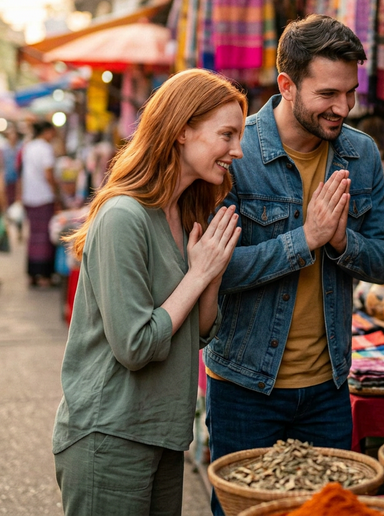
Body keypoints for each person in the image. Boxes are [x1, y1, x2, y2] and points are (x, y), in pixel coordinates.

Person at [204, 14, 384, 515]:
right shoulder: (236, 152)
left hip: (328, 390)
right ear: (287, 85)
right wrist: (305, 239)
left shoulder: (361, 154)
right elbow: (213, 272)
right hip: (246, 387)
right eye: (328, 94)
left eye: (350, 93)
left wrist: (340, 242)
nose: (343, 107)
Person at [52, 69, 247, 516]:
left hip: (160, 435)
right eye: (227, 134)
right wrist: (197, 277)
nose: (237, 150)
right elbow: (136, 345)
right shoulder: (124, 216)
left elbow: (194, 334)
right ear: (182, 130)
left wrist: (211, 274)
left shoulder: (180, 213)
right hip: (110, 437)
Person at [21, 121, 59, 287]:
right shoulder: (45, 148)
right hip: (44, 197)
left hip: (30, 197)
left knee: (34, 237)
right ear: (47, 132)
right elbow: (48, 174)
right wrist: (57, 195)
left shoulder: (29, 147)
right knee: (44, 237)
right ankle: (44, 276)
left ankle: (33, 274)